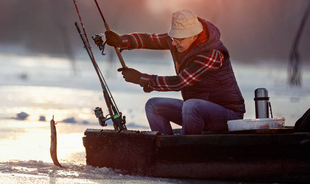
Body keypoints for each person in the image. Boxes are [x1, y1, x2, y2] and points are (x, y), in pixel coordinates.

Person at [103, 9, 245, 135]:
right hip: (196, 111)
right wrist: (122, 41)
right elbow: (151, 40)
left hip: (228, 116)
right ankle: (163, 148)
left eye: (179, 39)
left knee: (191, 105)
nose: (173, 43)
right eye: (173, 38)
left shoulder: (212, 54)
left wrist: (141, 78)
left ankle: (186, 149)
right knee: (153, 106)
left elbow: (180, 82)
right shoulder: (179, 42)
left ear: (194, 36)